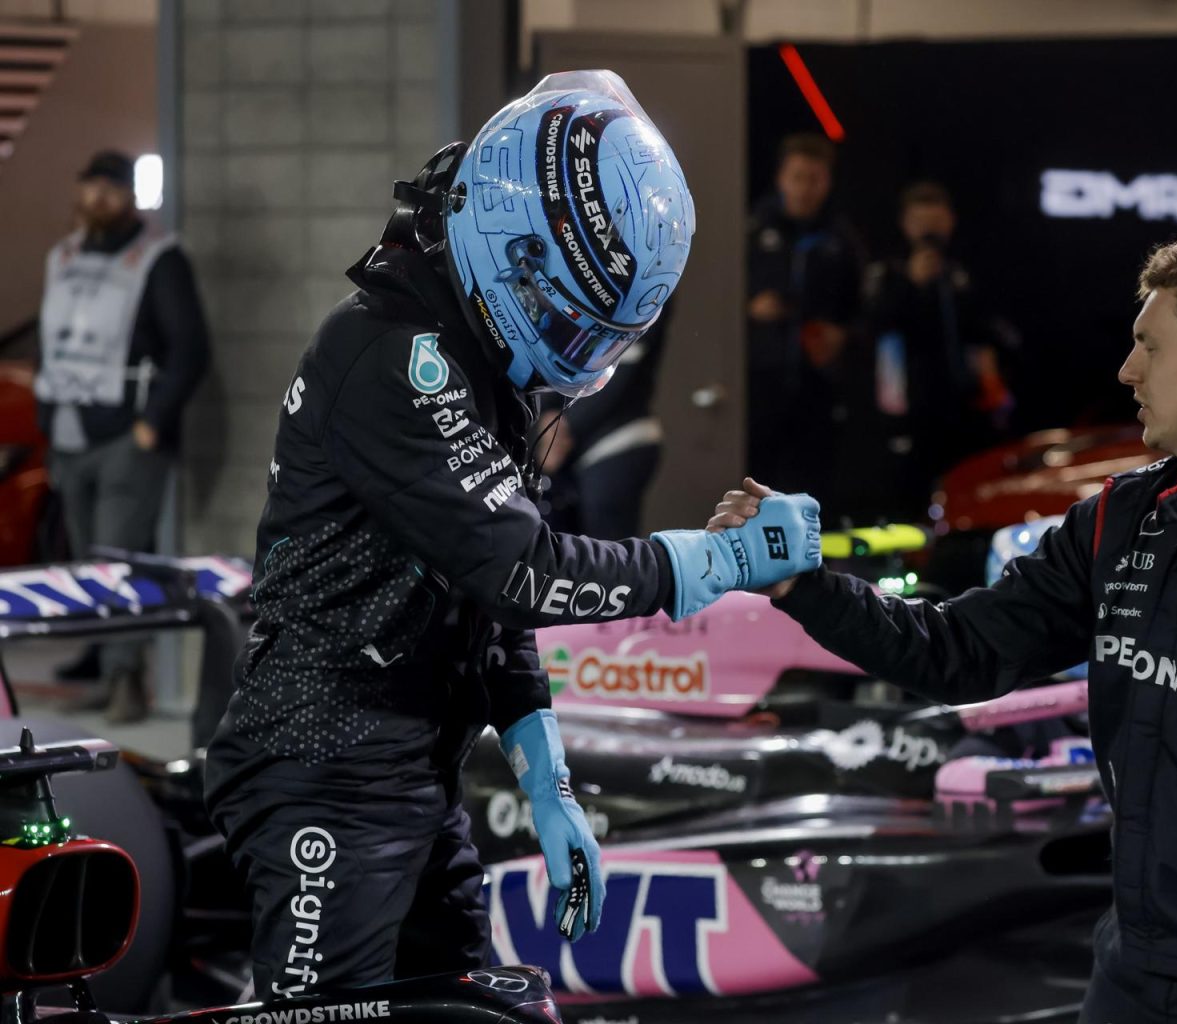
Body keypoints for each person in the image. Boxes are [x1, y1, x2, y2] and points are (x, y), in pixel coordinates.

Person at [202, 71, 819, 998]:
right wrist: (719, 559)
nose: (578, 355)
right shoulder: (388, 354)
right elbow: (520, 573)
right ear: (511, 246)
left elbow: (482, 600)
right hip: (318, 773)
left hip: (406, 768)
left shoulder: (470, 357)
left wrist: (547, 780)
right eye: (569, 319)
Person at [713, 240, 1177, 1024]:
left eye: (1150, 345)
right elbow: (956, 654)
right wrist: (800, 585)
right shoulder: (1118, 520)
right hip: (1130, 963)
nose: (1127, 369)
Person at [34, 149, 210, 723]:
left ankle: (127, 683)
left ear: (129, 196)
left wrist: (149, 426)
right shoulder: (63, 256)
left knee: (120, 568)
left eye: (110, 188)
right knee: (87, 567)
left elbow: (189, 350)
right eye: (91, 186)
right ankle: (102, 668)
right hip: (69, 435)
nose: (98, 198)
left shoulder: (159, 258)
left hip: (124, 443)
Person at [860, 181, 1012, 519]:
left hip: (963, 406)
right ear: (906, 224)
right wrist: (913, 284)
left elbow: (984, 331)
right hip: (907, 407)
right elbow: (873, 328)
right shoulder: (887, 272)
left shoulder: (962, 272)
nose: (929, 230)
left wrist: (991, 383)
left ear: (950, 221)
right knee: (906, 493)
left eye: (936, 221)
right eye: (921, 221)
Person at [746, 133, 863, 503]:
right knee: (753, 492)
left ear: (827, 182)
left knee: (811, 495)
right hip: (755, 389)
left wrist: (842, 336)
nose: (805, 189)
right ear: (781, 178)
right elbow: (716, 298)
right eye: (798, 177)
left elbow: (865, 314)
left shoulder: (844, 242)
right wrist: (748, 310)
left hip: (819, 391)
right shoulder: (750, 230)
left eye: (814, 179)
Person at [533, 303, 674, 539]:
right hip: (569, 440)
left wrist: (564, 424)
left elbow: (624, 366)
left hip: (615, 438)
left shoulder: (648, 287)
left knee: (609, 556)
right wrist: (547, 415)